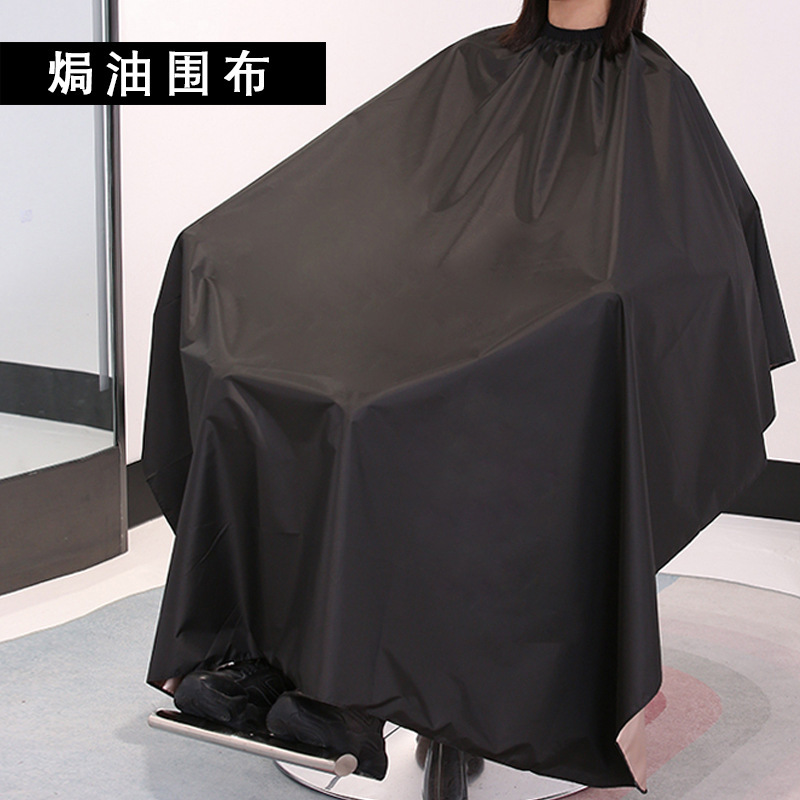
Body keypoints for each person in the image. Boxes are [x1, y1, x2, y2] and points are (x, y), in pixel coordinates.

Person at [142, 0, 794, 793]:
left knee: (383, 419)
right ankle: (261, 661)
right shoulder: (474, 65)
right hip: (440, 321)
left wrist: (595, 307)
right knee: (308, 397)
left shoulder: (655, 92)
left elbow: (703, 253)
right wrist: (223, 247)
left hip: (545, 355)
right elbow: (384, 196)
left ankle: (350, 697)